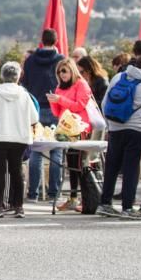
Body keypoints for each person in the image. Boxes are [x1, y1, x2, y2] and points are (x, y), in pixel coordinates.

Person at [97, 55, 141, 218]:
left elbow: (104, 103)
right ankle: (127, 207)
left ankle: (105, 203)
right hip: (136, 130)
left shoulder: (118, 77)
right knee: (131, 169)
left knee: (111, 167)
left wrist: (110, 124)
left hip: (115, 128)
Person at [0, 62, 38, 218]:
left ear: (2, 76)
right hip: (20, 137)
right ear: (18, 76)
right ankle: (18, 206)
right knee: (16, 171)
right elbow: (34, 117)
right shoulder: (24, 94)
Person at [21, 28, 65, 202]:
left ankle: (34, 193)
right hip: (57, 108)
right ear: (56, 41)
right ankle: (54, 193)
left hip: (35, 108)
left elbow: (25, 84)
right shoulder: (61, 61)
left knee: (36, 152)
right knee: (56, 151)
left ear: (42, 40)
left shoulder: (31, 60)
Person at [48, 59, 93, 212]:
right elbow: (56, 112)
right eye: (59, 72)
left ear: (72, 71)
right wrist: (54, 101)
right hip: (65, 129)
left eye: (64, 71)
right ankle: (74, 197)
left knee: (79, 164)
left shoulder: (81, 84)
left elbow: (79, 105)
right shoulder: (60, 87)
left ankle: (86, 199)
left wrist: (60, 99)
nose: (62, 75)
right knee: (71, 164)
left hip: (80, 129)